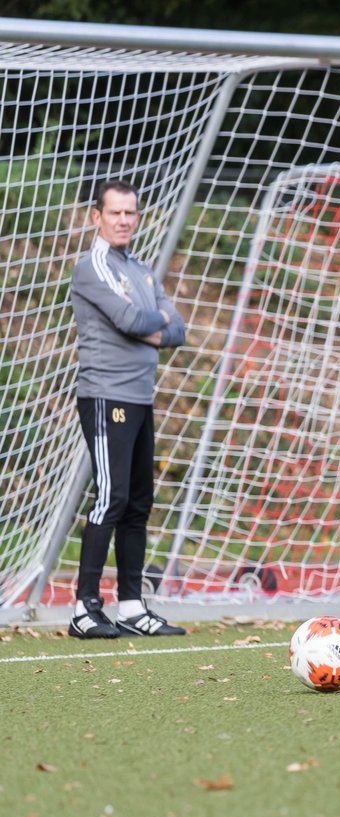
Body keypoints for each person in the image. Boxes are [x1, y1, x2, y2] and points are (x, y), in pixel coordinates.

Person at [68, 179, 187, 639]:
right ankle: (84, 608)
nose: (123, 220)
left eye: (130, 213)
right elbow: (132, 319)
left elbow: (177, 329)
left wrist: (151, 324)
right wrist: (152, 321)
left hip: (140, 397)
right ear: (96, 217)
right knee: (111, 498)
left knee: (138, 503)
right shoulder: (90, 267)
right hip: (105, 397)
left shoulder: (139, 268)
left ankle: (133, 606)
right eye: (114, 213)